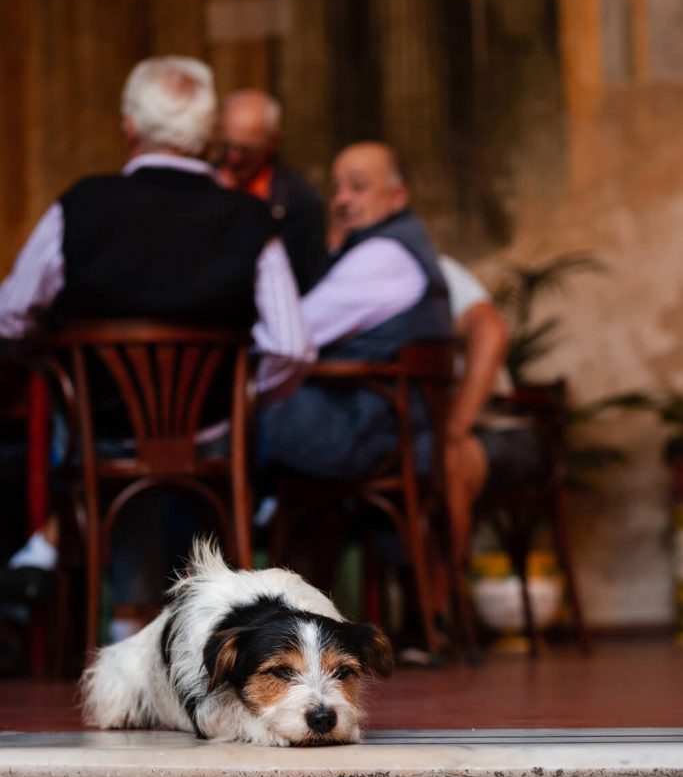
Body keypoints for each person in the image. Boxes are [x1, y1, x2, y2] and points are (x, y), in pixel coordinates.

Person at [0, 56, 312, 623]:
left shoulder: (80, 206)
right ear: (210, 134)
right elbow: (290, 344)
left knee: (88, 434)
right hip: (211, 438)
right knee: (204, 453)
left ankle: (91, 588)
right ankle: (189, 625)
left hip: (103, 434)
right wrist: (244, 398)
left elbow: (11, 315)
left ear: (129, 127)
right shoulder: (248, 218)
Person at [260, 140, 453, 479]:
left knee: (227, 412)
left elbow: (291, 332)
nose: (342, 199)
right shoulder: (393, 246)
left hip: (368, 430)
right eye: (337, 188)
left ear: (399, 196)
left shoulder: (384, 257)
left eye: (358, 187)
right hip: (389, 427)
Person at [216, 89, 327, 294]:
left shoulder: (299, 200)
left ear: (272, 143)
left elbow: (307, 277)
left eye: (245, 150)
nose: (233, 158)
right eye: (226, 146)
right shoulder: (204, 183)